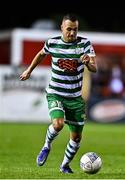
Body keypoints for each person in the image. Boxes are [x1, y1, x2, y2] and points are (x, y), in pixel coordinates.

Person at [20, 14, 97, 174]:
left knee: (76, 138)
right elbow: (41, 54)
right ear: (62, 28)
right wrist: (29, 70)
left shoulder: (85, 44)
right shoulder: (52, 43)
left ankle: (64, 166)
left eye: (75, 30)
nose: (72, 33)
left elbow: (94, 68)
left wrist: (87, 62)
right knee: (58, 124)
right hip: (56, 93)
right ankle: (46, 146)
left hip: (75, 98)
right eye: (69, 29)